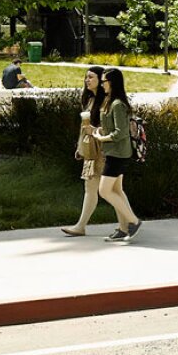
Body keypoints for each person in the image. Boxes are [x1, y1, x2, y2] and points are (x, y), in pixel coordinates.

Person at [87, 67, 142, 243]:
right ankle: (123, 228)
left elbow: (121, 133)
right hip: (114, 152)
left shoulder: (118, 104)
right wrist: (98, 130)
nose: (102, 84)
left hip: (118, 154)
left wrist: (102, 138)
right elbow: (112, 127)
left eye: (104, 81)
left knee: (104, 190)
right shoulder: (111, 102)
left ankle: (133, 221)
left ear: (113, 82)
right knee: (117, 190)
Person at [60, 67, 105, 236]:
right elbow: (83, 130)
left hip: (101, 151)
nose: (87, 80)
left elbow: (108, 128)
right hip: (90, 150)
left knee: (109, 190)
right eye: (86, 77)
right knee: (93, 188)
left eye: (91, 77)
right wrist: (80, 148)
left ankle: (129, 221)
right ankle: (81, 226)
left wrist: (93, 131)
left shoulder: (105, 102)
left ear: (101, 80)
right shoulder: (90, 100)